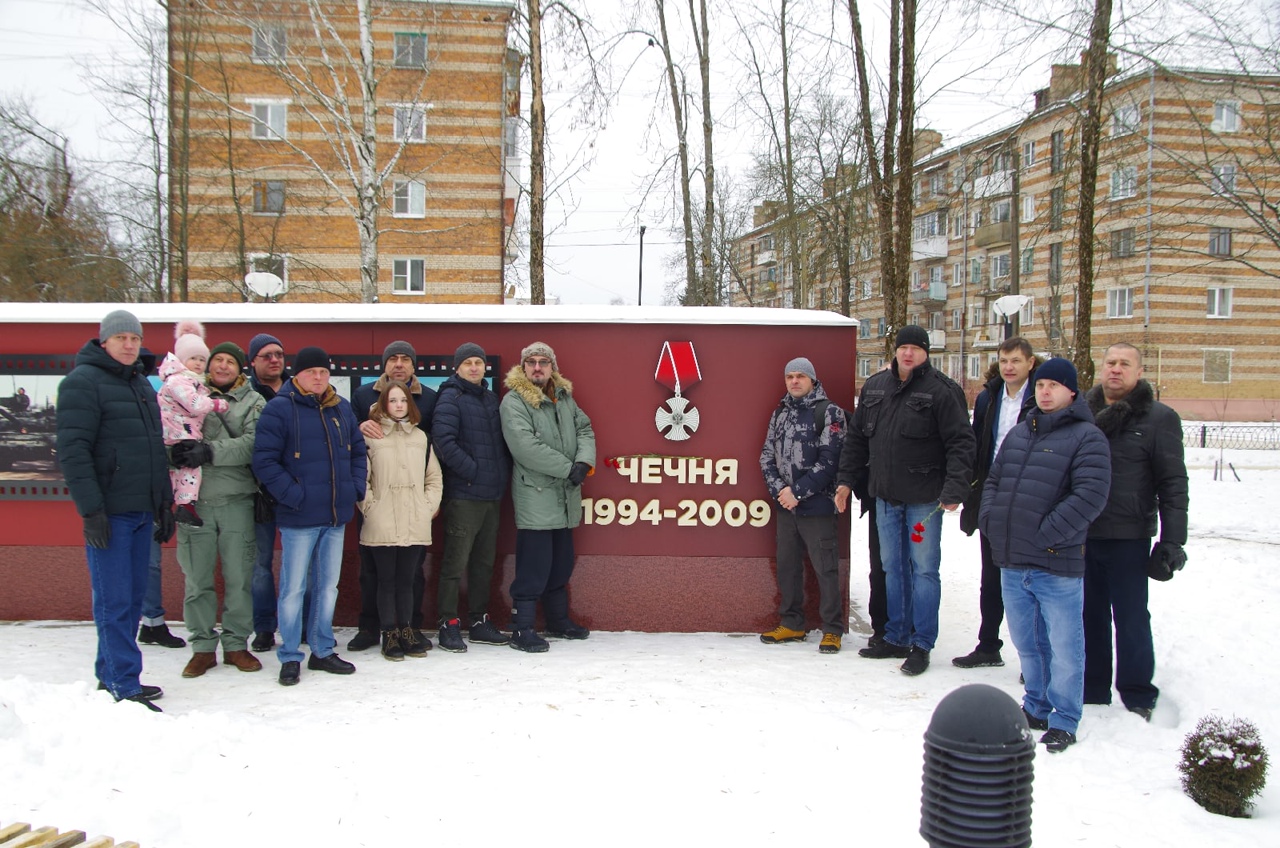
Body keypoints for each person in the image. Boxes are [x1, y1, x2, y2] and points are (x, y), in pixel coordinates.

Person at [979, 357, 1112, 753]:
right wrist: (990, 520)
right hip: (1012, 559)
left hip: (1056, 562)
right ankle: (1035, 704)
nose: (1045, 392)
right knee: (1027, 642)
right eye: (1040, 385)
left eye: (1054, 385)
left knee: (1065, 645)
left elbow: (1090, 497)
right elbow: (994, 480)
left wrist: (1045, 534)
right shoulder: (1020, 433)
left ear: (1072, 391)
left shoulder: (1088, 437)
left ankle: (1065, 716)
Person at [834, 325, 975, 676]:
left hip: (924, 499)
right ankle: (895, 635)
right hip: (884, 496)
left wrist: (955, 488)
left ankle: (922, 642)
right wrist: (845, 481)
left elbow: (961, 443)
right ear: (894, 351)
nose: (908, 353)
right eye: (903, 348)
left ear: (926, 352)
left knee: (924, 571)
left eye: (915, 348)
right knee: (891, 569)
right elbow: (856, 441)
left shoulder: (942, 391)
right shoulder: (876, 387)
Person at [56, 309, 175, 712]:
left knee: (131, 596)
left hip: (142, 510)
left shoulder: (140, 383)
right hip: (110, 514)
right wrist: (91, 511)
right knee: (115, 600)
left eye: (135, 339)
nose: (129, 345)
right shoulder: (82, 383)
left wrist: (163, 503)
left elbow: (154, 449)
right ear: (104, 341)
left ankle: (110, 674)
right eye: (121, 338)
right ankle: (125, 683)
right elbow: (74, 452)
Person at [1083, 343, 1189, 721]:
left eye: (1124, 364)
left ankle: (1137, 690)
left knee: (1130, 616)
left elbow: (1173, 483)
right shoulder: (1081, 411)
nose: (1115, 370)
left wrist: (1172, 540)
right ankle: (1092, 686)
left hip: (1128, 534)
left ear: (1138, 371)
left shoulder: (1159, 418)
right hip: (1082, 533)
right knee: (1087, 614)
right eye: (1110, 363)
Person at [253, 346, 368, 686]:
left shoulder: (340, 409)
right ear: (297, 374)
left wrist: (354, 488)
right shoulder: (279, 409)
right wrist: (294, 496)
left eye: (323, 371)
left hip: (335, 515)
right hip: (298, 518)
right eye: (311, 372)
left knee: (326, 587)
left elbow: (358, 452)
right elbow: (264, 462)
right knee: (293, 589)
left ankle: (321, 650)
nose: (318, 378)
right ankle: (290, 655)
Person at [168, 341, 267, 678]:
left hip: (237, 499)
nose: (223, 366)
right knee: (196, 579)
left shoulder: (254, 401)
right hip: (194, 503)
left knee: (239, 578)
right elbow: (169, 432)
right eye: (217, 360)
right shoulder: (184, 393)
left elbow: (254, 444)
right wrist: (179, 453)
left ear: (241, 368)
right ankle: (202, 647)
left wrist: (208, 451)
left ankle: (237, 644)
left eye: (231, 362)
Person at [500, 341, 596, 653]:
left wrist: (584, 462)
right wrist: (569, 468)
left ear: (552, 366)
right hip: (536, 495)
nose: (538, 367)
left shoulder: (564, 397)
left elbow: (584, 429)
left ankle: (558, 620)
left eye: (543, 362)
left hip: (565, 497)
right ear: (523, 367)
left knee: (560, 563)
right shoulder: (514, 402)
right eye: (532, 362)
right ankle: (521, 627)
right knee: (534, 566)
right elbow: (525, 447)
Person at [955, 337, 1041, 669]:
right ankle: (988, 644)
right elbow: (978, 446)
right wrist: (971, 496)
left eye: (1016, 361)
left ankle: (1034, 657)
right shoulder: (991, 396)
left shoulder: (1042, 395)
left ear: (1030, 363)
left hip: (1031, 497)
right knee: (991, 578)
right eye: (1004, 361)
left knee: (1028, 580)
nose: (1009, 367)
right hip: (993, 495)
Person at [347, 340, 437, 652]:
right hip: (380, 506)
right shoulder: (362, 396)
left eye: (405, 359)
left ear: (414, 366)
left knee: (411, 574)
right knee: (373, 573)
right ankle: (374, 628)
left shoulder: (429, 400)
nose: (399, 364)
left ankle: (410, 626)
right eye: (393, 359)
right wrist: (369, 504)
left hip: (413, 508)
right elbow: (353, 447)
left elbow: (431, 462)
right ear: (385, 365)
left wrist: (427, 506)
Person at [758, 357, 848, 653]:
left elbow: (830, 462)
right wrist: (782, 491)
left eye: (800, 376)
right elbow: (766, 456)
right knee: (787, 567)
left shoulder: (829, 412)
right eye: (790, 377)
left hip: (818, 507)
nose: (794, 381)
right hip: (786, 507)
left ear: (812, 379)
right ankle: (792, 623)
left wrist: (798, 492)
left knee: (825, 568)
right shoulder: (780, 413)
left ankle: (832, 629)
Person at [431, 343, 512, 651]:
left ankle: (478, 621)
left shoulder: (490, 399)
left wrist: (497, 476)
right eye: (468, 363)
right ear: (458, 368)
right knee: (455, 562)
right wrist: (473, 471)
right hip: (463, 495)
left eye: (479, 362)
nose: (475, 368)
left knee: (483, 563)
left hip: (492, 497)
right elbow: (443, 442)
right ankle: (448, 623)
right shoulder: (451, 397)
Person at [359, 382, 443, 660]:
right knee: (385, 580)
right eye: (392, 400)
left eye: (403, 401)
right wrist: (370, 507)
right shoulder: (371, 437)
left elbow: (433, 478)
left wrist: (426, 506)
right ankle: (388, 634)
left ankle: (406, 630)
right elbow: (362, 479)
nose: (398, 405)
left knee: (407, 580)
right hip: (382, 520)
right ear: (383, 403)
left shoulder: (421, 438)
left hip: (413, 519)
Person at [158, 320, 229, 527]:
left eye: (201, 359)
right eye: (193, 358)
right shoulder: (178, 381)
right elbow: (195, 404)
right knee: (190, 468)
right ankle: (184, 504)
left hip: (182, 431)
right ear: (181, 360)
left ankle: (184, 505)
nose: (198, 363)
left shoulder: (191, 381)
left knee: (183, 470)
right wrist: (217, 404)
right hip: (177, 431)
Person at [246, 332, 288, 652]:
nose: (275, 360)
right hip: (257, 494)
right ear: (253, 362)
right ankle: (263, 627)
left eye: (279, 354)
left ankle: (295, 623)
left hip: (293, 493)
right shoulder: (245, 393)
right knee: (259, 564)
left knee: (297, 562)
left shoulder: (297, 390)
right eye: (267, 355)